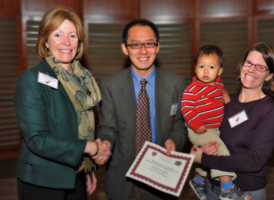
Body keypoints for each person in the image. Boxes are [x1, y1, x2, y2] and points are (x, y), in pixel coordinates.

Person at [14, 6, 110, 200]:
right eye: (58, 35)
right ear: (46, 42)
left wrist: (87, 168)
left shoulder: (83, 80)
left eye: (72, 36)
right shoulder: (31, 79)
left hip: (76, 174)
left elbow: (80, 128)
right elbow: (37, 140)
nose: (66, 42)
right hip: (42, 181)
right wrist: (90, 147)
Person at [96, 19, 188, 200]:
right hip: (123, 177)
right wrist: (106, 144)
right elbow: (108, 127)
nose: (143, 51)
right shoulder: (110, 86)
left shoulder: (176, 83)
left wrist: (174, 141)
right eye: (135, 45)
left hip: (162, 174)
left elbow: (179, 123)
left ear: (157, 46)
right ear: (125, 48)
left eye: (149, 44)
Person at [190, 43, 274, 200]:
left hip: (245, 191)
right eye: (248, 63)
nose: (251, 70)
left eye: (260, 67)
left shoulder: (269, 110)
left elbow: (254, 161)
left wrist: (204, 159)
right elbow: (207, 131)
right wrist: (203, 147)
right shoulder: (225, 101)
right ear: (242, 64)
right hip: (213, 186)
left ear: (269, 76)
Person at [181, 45, 251, 200]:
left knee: (210, 156)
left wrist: (224, 94)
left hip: (214, 130)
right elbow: (186, 108)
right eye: (201, 66)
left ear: (219, 71)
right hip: (200, 129)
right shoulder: (192, 89)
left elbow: (222, 96)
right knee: (221, 154)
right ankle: (227, 189)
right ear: (195, 69)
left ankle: (198, 181)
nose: (205, 71)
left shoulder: (218, 85)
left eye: (211, 67)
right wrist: (196, 123)